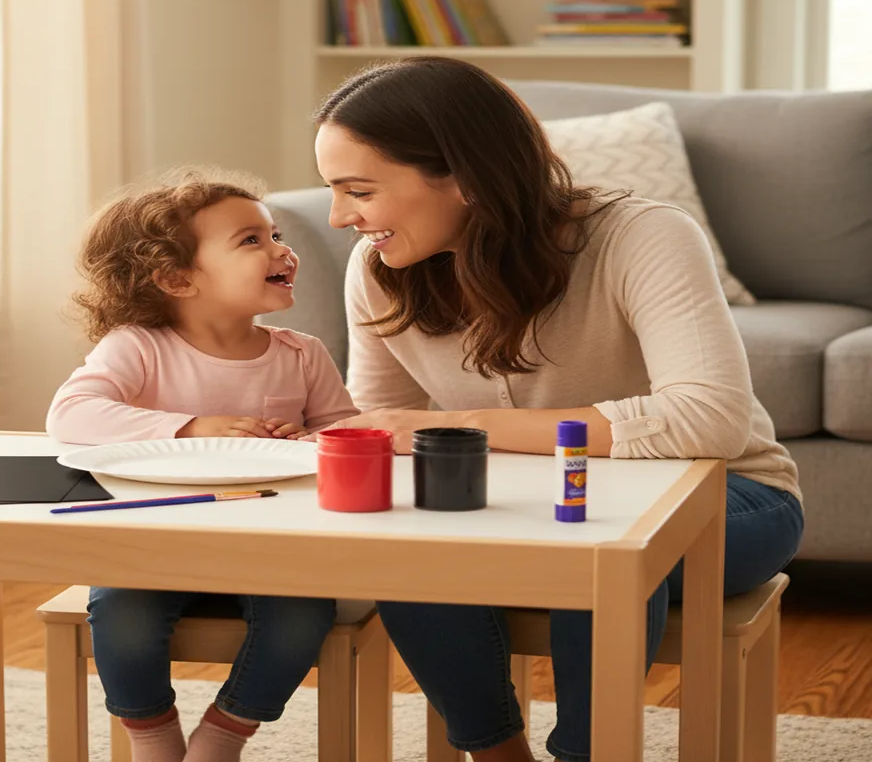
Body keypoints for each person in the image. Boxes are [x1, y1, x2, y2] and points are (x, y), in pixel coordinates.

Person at [312, 57, 804, 762]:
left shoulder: (642, 236)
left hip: (727, 499)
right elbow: (384, 426)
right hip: (533, 507)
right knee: (410, 550)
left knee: (597, 550)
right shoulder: (379, 271)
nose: (339, 217)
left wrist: (467, 426)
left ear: (465, 176)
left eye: (359, 190)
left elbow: (711, 420)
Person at [46, 169, 358, 762]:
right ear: (176, 277)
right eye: (251, 240)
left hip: (273, 544)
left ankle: (223, 735)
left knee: (301, 617)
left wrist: (308, 437)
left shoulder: (302, 353)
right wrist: (189, 426)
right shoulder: (136, 346)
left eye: (275, 235)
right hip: (153, 540)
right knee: (123, 615)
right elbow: (71, 415)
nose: (280, 250)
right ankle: (154, 738)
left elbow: (344, 432)